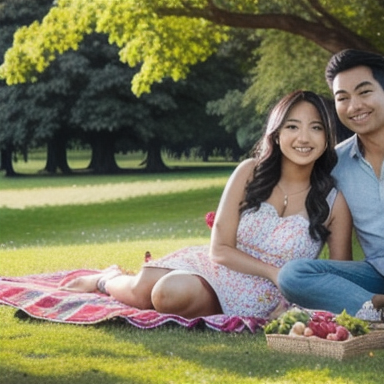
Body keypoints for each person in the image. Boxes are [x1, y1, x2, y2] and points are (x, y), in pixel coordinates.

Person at [62, 90, 352, 319]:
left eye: (316, 128)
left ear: (328, 137)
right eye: (292, 126)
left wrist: (298, 296)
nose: (304, 138)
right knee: (141, 289)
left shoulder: (334, 203)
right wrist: (273, 272)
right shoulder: (250, 172)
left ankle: (204, 305)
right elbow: (220, 249)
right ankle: (106, 279)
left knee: (166, 294)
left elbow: (340, 276)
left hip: (272, 295)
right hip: (216, 266)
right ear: (277, 133)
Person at [278, 49, 384, 322]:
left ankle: (368, 312)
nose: (354, 106)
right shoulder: (334, 162)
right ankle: (374, 308)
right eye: (343, 98)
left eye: (364, 92)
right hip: (376, 275)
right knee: (293, 275)